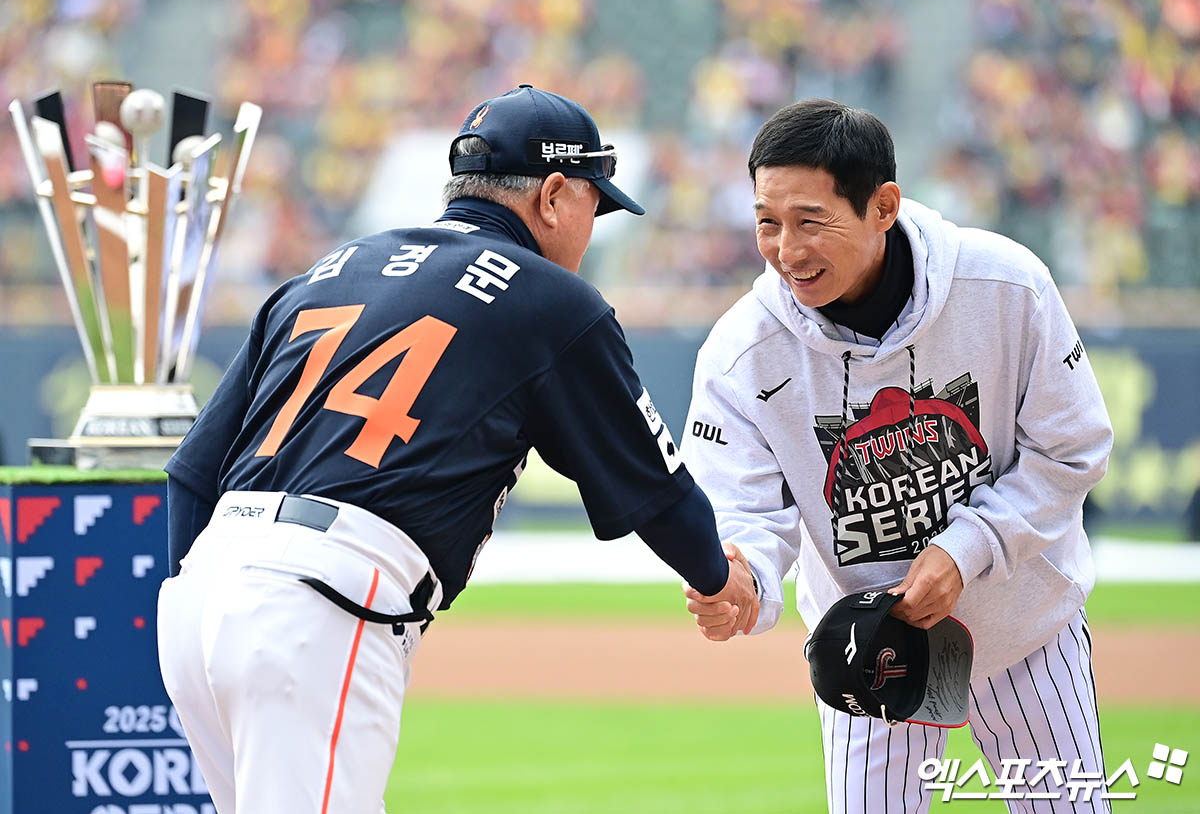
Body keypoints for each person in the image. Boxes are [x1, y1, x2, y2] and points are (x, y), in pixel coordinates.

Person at [157, 84, 757, 814]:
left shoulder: (331, 267)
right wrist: (717, 578)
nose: (591, 227)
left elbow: (191, 471)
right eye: (594, 206)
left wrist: (199, 593)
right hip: (318, 602)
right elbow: (655, 484)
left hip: (200, 595)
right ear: (555, 195)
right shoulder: (552, 300)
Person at [681, 98, 1114, 813]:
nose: (786, 250)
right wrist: (744, 582)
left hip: (1026, 627)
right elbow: (746, 514)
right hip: (866, 652)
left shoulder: (1006, 286)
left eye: (809, 220)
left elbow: (1072, 449)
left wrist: (968, 548)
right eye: (767, 222)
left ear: (883, 206)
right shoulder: (741, 354)